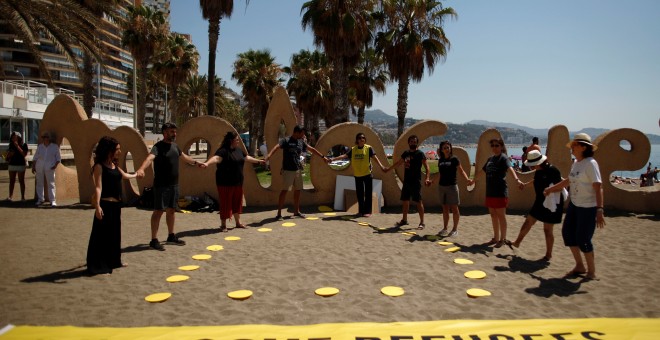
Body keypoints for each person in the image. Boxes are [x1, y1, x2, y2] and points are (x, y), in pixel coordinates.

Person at [545, 133, 605, 280]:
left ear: (584, 147)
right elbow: (568, 181)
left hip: (588, 207)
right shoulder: (576, 163)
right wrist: (551, 189)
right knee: (568, 234)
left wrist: (600, 209)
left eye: (574, 145)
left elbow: (598, 188)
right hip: (575, 205)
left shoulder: (591, 163)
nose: (571, 147)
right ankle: (580, 266)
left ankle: (591, 272)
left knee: (583, 238)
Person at [136, 122, 198, 251]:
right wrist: (141, 169)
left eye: (175, 131)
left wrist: (197, 163)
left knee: (171, 210)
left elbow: (185, 157)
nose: (174, 134)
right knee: (158, 211)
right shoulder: (158, 147)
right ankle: (154, 240)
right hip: (161, 186)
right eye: (171, 132)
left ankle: (171, 236)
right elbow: (149, 158)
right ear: (164, 133)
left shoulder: (175, 146)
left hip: (174, 185)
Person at [86, 136, 137, 275]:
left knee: (114, 235)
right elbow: (98, 188)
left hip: (116, 206)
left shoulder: (114, 166)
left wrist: (137, 174)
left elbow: (125, 176)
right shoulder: (99, 166)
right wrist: (97, 206)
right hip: (105, 205)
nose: (119, 152)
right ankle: (97, 265)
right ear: (109, 150)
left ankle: (114, 261)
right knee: (100, 236)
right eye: (117, 149)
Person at [198, 131, 265, 232]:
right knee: (225, 203)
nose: (238, 141)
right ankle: (223, 225)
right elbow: (216, 158)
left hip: (238, 182)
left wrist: (259, 161)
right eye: (236, 140)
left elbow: (246, 157)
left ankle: (238, 223)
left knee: (237, 203)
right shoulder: (223, 151)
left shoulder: (238, 150)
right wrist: (207, 163)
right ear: (231, 140)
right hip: (225, 183)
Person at [508, 150, 564, 261]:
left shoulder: (553, 170)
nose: (531, 167)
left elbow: (561, 187)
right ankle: (517, 242)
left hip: (552, 203)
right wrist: (524, 185)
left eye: (533, 165)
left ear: (539, 163)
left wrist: (550, 191)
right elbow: (535, 180)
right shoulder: (538, 171)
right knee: (528, 221)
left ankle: (548, 254)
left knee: (547, 229)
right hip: (539, 201)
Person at [265, 125, 328, 221]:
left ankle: (296, 211)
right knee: (285, 191)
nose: (303, 136)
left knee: (298, 190)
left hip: (297, 170)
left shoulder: (300, 142)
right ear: (296, 132)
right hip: (288, 170)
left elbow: (312, 149)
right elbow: (276, 147)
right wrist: (269, 156)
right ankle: (279, 214)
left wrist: (323, 157)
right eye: (302, 134)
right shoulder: (286, 140)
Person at [468, 138, 523, 248]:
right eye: (492, 145)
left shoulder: (504, 158)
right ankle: (496, 238)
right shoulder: (490, 159)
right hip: (490, 192)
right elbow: (482, 172)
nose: (494, 147)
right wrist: (473, 180)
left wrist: (517, 180)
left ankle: (502, 239)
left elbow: (511, 169)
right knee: (493, 215)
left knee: (501, 216)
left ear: (501, 146)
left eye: (496, 145)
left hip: (500, 192)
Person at [328, 132, 387, 217]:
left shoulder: (369, 148)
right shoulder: (353, 149)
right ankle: (361, 211)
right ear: (357, 140)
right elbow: (344, 156)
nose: (361, 139)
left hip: (367, 174)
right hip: (357, 175)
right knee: (359, 194)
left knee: (368, 193)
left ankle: (367, 211)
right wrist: (333, 159)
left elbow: (375, 158)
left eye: (363, 138)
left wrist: (381, 166)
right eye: (359, 138)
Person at [383, 135, 431, 229]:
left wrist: (427, 178)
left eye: (414, 141)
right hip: (407, 181)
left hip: (416, 181)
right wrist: (389, 169)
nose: (413, 143)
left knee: (418, 201)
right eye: (411, 141)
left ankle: (422, 222)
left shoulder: (420, 154)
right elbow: (398, 163)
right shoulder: (406, 153)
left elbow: (427, 167)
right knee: (405, 201)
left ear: (417, 143)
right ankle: (404, 220)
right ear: (408, 143)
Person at [434, 140, 470, 237]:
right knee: (445, 208)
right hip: (442, 187)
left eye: (447, 147)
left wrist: (467, 179)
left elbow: (461, 171)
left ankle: (455, 229)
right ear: (441, 149)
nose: (446, 149)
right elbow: (440, 173)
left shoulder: (454, 159)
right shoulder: (440, 160)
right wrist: (432, 181)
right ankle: (445, 228)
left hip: (452, 186)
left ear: (450, 148)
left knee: (454, 208)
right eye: (444, 148)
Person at [32, 131, 61, 207]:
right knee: (39, 183)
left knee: (51, 184)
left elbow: (58, 158)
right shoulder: (40, 147)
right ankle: (40, 199)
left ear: (50, 138)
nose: (46, 138)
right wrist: (33, 166)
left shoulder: (54, 147)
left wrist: (55, 166)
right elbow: (35, 157)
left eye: (47, 137)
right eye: (44, 137)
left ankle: (53, 200)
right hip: (39, 166)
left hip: (50, 167)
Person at [5, 131, 28, 201]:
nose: (13, 138)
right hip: (12, 164)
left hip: (20, 164)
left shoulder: (24, 144)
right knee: (12, 181)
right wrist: (8, 156)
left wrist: (17, 146)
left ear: (19, 137)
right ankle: (10, 196)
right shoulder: (11, 144)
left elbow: (24, 154)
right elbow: (9, 154)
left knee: (21, 181)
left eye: (15, 136)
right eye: (12, 137)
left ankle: (23, 197)